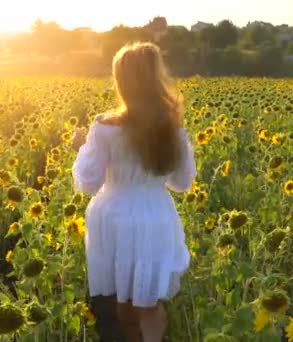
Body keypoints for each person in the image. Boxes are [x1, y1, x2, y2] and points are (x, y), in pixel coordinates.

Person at [72, 42, 196, 342]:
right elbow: (182, 183)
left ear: (122, 81)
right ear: (156, 78)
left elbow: (88, 183)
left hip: (113, 216)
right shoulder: (171, 128)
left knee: (124, 303)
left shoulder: (104, 127)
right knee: (150, 304)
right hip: (155, 215)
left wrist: (81, 149)